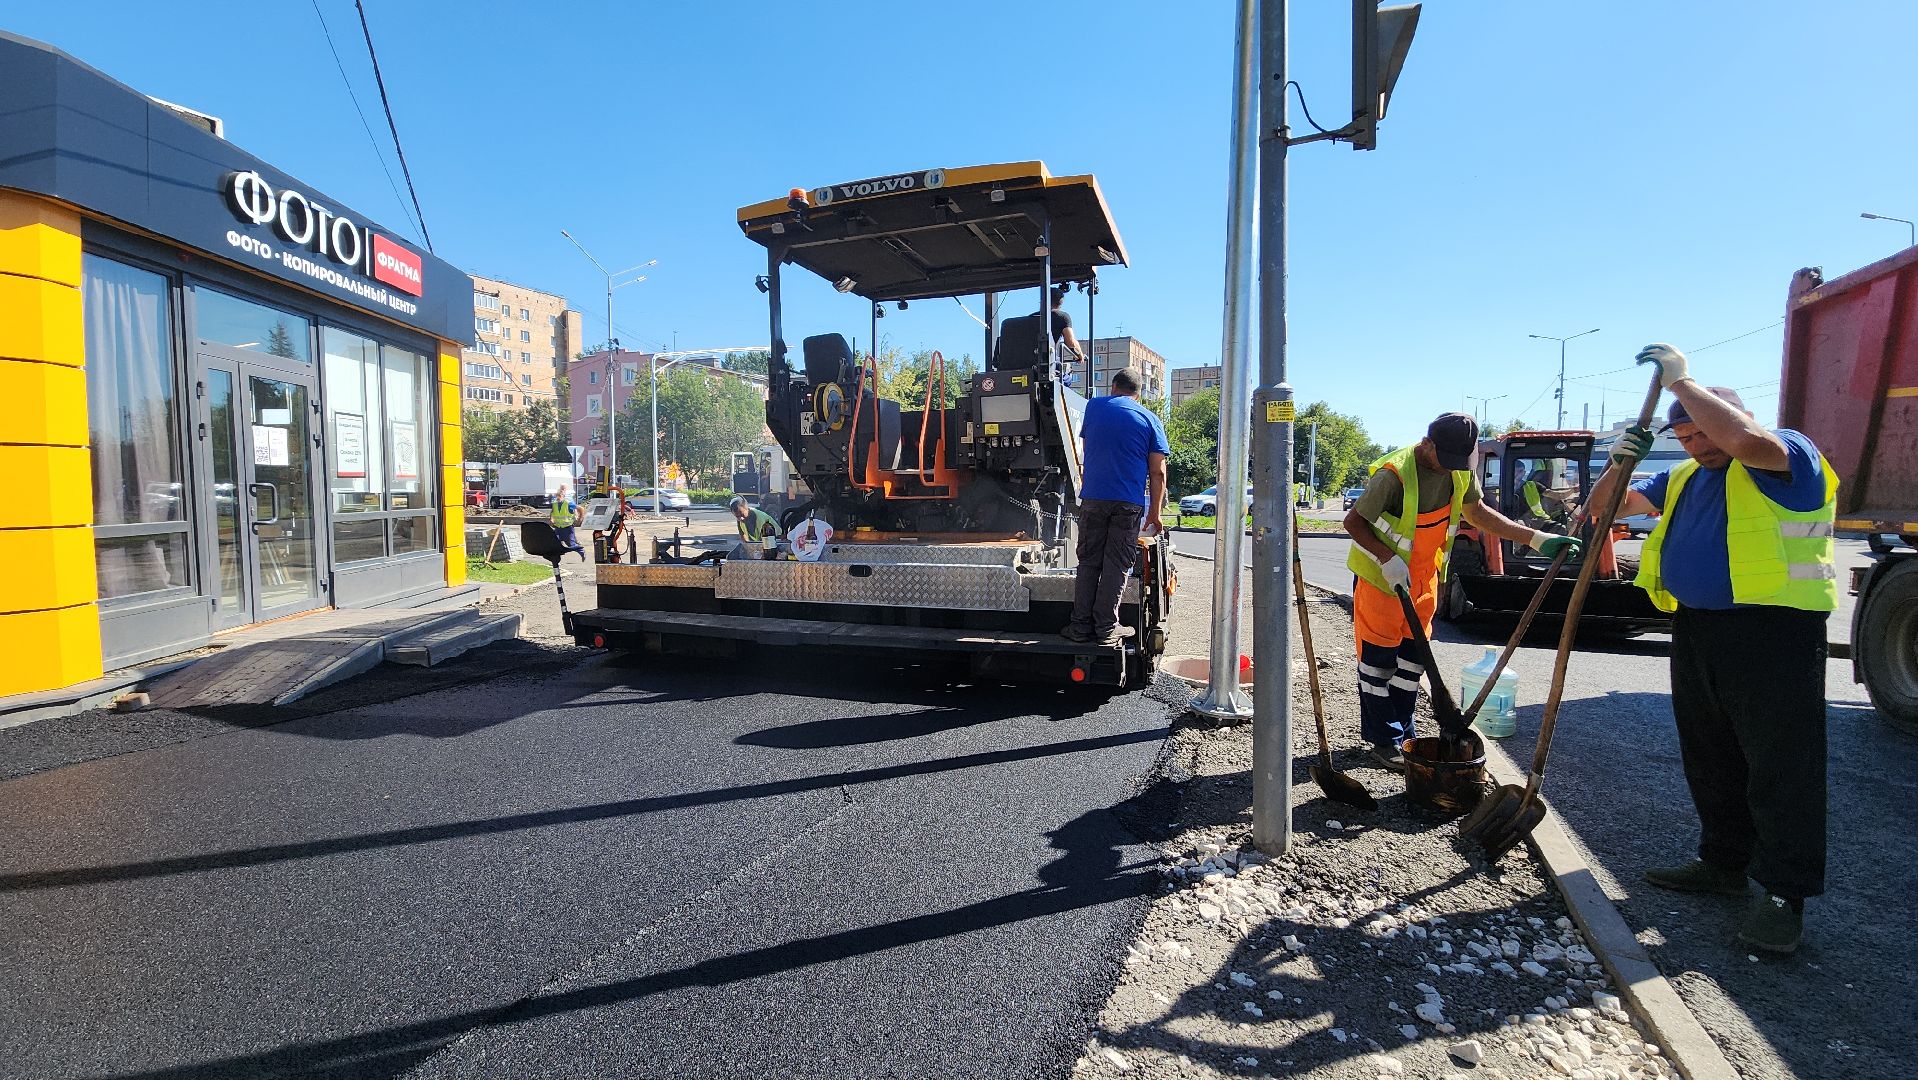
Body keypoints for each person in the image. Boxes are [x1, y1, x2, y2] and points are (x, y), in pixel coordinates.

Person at [1590, 344, 1837, 955]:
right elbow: (1601, 510)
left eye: (1705, 430)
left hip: (1774, 632)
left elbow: (1748, 444)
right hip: (1700, 629)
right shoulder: (1678, 476)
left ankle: (1784, 895)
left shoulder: (1785, 453)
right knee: (1711, 755)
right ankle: (1723, 863)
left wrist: (1686, 381)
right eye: (1687, 435)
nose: (1699, 444)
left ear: (1734, 417)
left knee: (1781, 765)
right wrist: (1618, 464)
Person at [1344, 413, 1584, 770]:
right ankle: (1383, 740)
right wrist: (1385, 558)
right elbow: (1353, 522)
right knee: (1377, 668)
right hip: (1382, 582)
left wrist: (1534, 538)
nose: (1453, 468)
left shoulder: (1459, 470)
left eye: (1461, 461)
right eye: (1447, 459)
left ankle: (1404, 735)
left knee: (1412, 665)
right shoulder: (1394, 476)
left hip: (1422, 583)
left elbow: (1478, 513)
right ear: (1427, 445)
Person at [1064, 368, 1167, 646]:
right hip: (1127, 504)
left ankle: (1079, 626)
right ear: (1139, 393)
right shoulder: (1150, 419)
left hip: (1094, 499)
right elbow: (1158, 472)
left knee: (1088, 562)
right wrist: (1155, 513)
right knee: (1116, 566)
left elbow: (1088, 449)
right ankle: (1107, 629)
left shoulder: (1094, 407)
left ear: (1113, 387)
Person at [1031, 285, 1084, 363]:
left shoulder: (1030, 317)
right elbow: (1071, 343)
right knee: (1067, 373)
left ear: (1042, 301)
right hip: (1047, 363)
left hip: (1027, 363)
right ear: (1060, 304)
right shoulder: (1062, 317)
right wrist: (1080, 355)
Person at [549, 485, 586, 561]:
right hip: (558, 528)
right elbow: (552, 512)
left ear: (563, 496)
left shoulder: (568, 503)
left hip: (568, 528)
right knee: (555, 543)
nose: (558, 498)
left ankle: (581, 551)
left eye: (560, 496)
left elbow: (581, 508)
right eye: (557, 496)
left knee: (571, 544)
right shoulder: (555, 504)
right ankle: (556, 560)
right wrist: (551, 519)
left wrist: (581, 518)